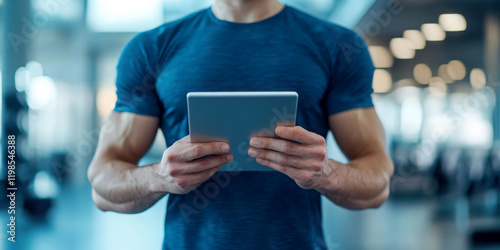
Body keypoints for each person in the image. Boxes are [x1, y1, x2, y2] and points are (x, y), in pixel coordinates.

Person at [87, 0, 394, 249]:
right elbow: (103, 184)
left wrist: (326, 174)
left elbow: (377, 183)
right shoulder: (150, 49)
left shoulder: (338, 47)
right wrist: (159, 177)